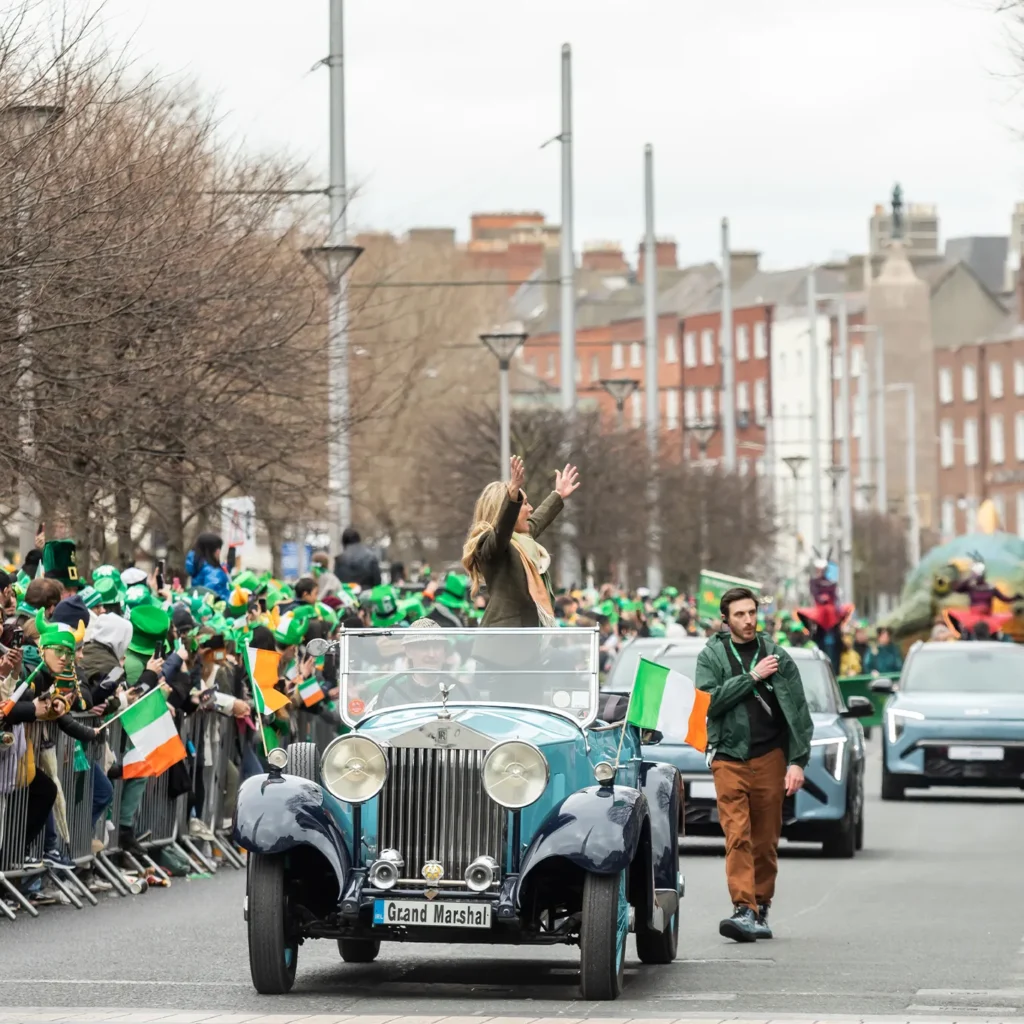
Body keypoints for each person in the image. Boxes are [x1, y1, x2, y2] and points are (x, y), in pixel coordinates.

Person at [695, 587, 813, 943]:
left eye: (752, 613)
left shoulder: (778, 656)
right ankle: (743, 908)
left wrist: (797, 762)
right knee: (737, 836)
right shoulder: (711, 656)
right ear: (725, 619)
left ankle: (760, 906)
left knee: (765, 841)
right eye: (740, 615)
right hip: (728, 758)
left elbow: (799, 714)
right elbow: (709, 704)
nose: (748, 620)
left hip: (770, 759)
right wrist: (752, 678)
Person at [461, 455, 580, 628]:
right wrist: (513, 495)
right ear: (507, 510)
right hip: (505, 645)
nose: (530, 508)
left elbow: (536, 522)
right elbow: (502, 533)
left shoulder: (521, 541)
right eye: (524, 504)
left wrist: (558, 494)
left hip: (527, 641)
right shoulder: (489, 545)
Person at [366, 618, 467, 712]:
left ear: (444, 651)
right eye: (424, 647)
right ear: (409, 651)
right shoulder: (390, 696)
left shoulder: (463, 693)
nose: (432, 654)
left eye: (437, 647)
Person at [185, 533, 230, 601]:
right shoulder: (214, 573)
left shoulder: (198, 567)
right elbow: (214, 596)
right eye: (218, 548)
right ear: (214, 550)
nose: (219, 552)